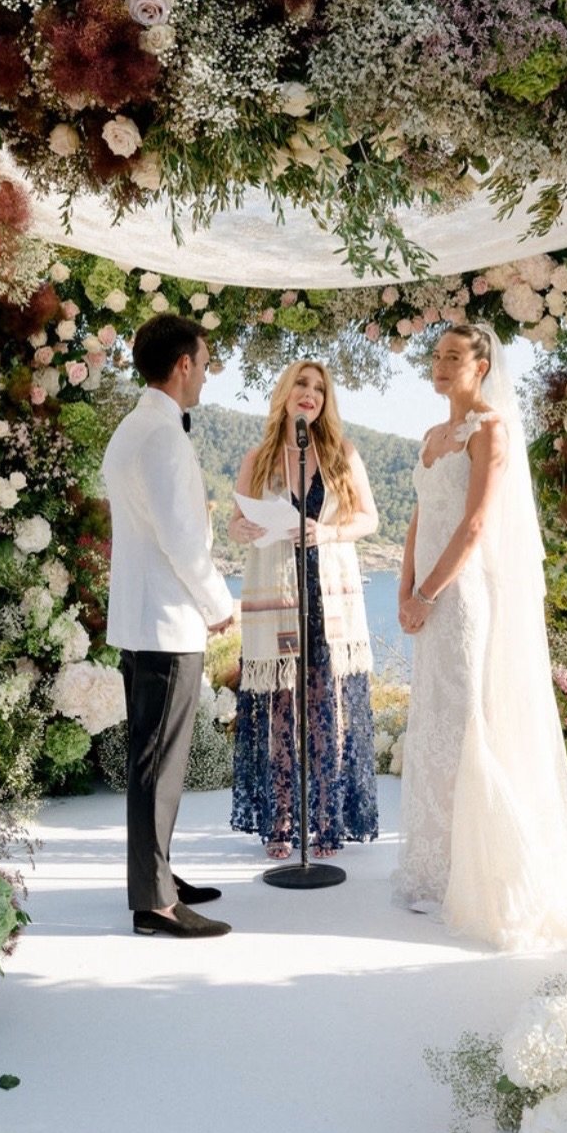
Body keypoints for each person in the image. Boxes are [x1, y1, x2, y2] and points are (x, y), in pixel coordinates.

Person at [393, 322, 567, 949]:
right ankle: (436, 868)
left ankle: (482, 874)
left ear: (481, 367)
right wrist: (404, 588)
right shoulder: (431, 437)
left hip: (462, 596)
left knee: (465, 721)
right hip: (426, 591)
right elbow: (419, 519)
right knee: (434, 720)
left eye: (454, 356)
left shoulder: (490, 430)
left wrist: (429, 594)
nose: (441, 364)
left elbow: (476, 524)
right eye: (437, 355)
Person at [101, 313, 236, 938]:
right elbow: (181, 540)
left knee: (152, 760)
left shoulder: (135, 427)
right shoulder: (162, 437)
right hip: (167, 620)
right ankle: (155, 903)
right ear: (183, 365)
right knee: (158, 766)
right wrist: (219, 604)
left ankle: (158, 876)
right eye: (204, 364)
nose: (206, 375)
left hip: (143, 617)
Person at [229, 360, 380, 859]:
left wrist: (328, 532)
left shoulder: (341, 454)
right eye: (302, 382)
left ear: (325, 400)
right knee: (282, 712)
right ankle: (282, 821)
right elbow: (235, 523)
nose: (310, 393)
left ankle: (327, 820)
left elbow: (369, 518)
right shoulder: (258, 458)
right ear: (286, 391)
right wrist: (244, 528)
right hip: (279, 597)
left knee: (325, 709)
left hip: (328, 596)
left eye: (319, 387)